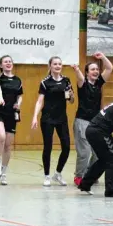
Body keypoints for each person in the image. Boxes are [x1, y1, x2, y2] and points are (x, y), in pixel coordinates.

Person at [31, 56, 74, 186]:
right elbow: (39, 101)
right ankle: (47, 176)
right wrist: (34, 117)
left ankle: (58, 173)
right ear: (50, 66)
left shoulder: (67, 80)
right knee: (48, 147)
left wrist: (71, 95)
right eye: (55, 64)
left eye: (59, 64)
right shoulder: (45, 82)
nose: (57, 66)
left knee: (66, 147)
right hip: (47, 118)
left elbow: (71, 101)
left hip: (62, 119)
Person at [71, 52, 113, 186]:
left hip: (95, 123)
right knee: (85, 152)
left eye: (97, 69)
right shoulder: (83, 84)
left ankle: (90, 174)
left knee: (97, 152)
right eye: (92, 69)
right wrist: (77, 70)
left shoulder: (99, 83)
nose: (96, 71)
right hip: (82, 121)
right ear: (87, 73)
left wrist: (103, 57)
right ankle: (79, 176)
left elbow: (110, 68)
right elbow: (79, 78)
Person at [0, 55, 23, 185]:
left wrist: (19, 103)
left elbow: (20, 96)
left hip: (11, 114)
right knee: (1, 137)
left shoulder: (18, 80)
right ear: (1, 65)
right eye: (5, 62)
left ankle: (3, 173)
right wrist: (1, 98)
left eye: (10, 61)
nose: (8, 63)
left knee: (8, 145)